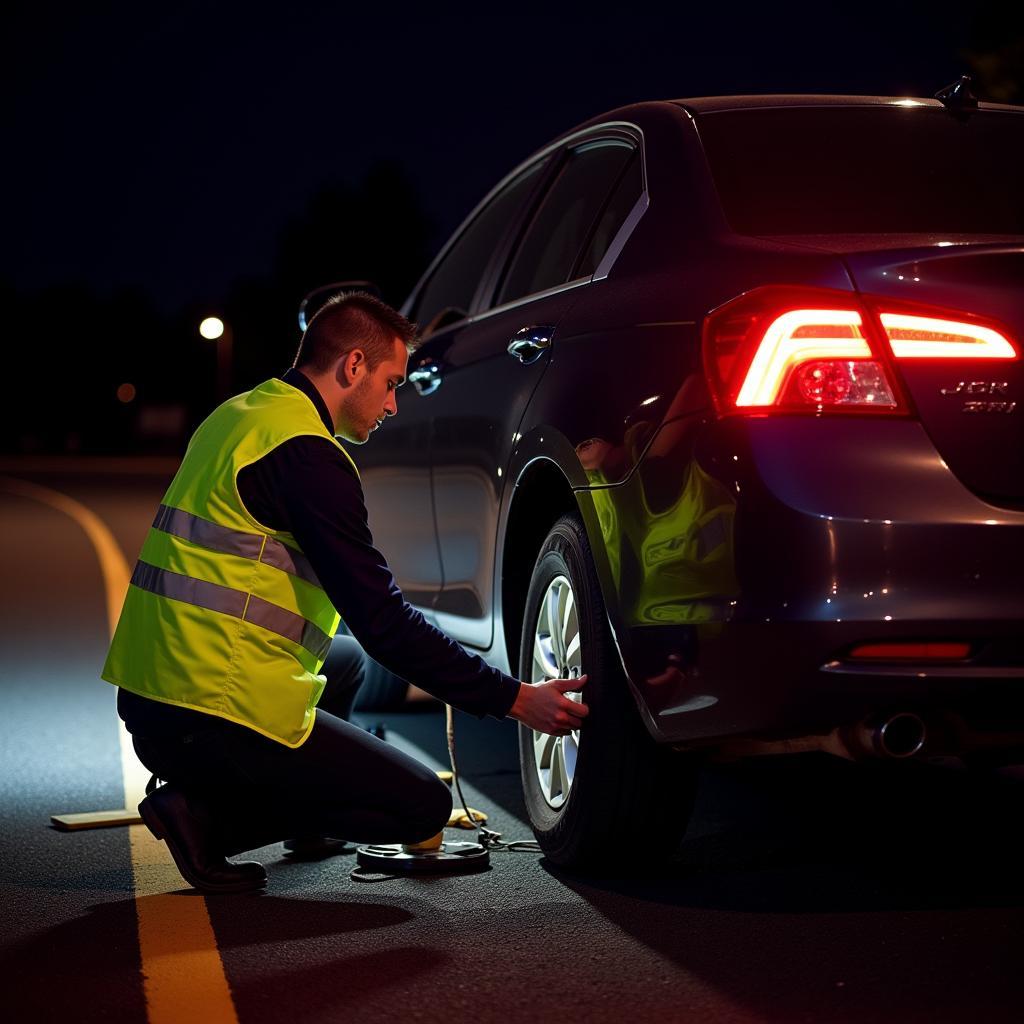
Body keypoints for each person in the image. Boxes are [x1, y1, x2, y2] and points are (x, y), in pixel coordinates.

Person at [102, 291, 588, 893]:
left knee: (347, 664)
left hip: (156, 689)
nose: (391, 404)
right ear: (352, 365)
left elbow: (361, 634)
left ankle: (294, 809)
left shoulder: (240, 416)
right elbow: (383, 623)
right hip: (208, 712)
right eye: (390, 382)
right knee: (419, 809)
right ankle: (203, 817)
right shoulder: (308, 457)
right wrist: (515, 699)